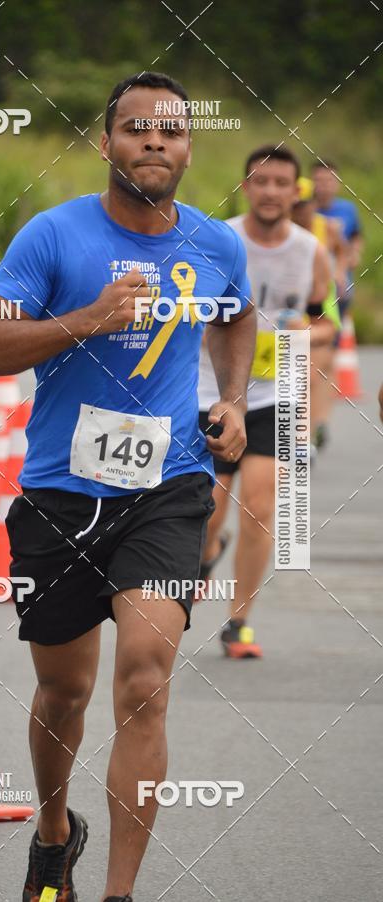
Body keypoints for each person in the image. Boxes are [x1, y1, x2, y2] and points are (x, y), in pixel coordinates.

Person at [0, 71, 256, 902]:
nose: (154, 142)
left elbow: (237, 314)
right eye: (136, 129)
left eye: (171, 130)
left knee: (143, 679)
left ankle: (119, 895)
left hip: (169, 491)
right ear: (107, 142)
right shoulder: (52, 238)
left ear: (189, 147)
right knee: (66, 689)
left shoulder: (214, 243)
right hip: (59, 492)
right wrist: (89, 319)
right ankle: (55, 835)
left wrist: (230, 398)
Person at [197, 146, 336, 659]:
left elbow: (329, 325)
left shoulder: (309, 250)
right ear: (245, 188)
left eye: (282, 183)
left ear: (295, 191)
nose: (271, 191)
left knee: (259, 505)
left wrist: (305, 334)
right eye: (261, 181)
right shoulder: (218, 241)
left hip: (275, 394)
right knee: (207, 510)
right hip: (208, 393)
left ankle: (239, 623)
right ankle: (207, 553)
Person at [292, 177, 345, 451]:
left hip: (323, 302)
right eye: (294, 205)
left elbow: (343, 253)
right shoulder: (281, 231)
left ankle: (307, 436)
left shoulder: (328, 229)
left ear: (314, 204)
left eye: (304, 205)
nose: (299, 211)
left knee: (315, 370)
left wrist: (339, 272)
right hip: (293, 305)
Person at [312, 159, 363, 319]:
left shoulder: (348, 209)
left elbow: (356, 235)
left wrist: (355, 253)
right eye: (319, 181)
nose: (324, 185)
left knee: (335, 319)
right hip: (313, 273)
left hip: (340, 274)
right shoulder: (305, 209)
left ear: (337, 183)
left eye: (329, 180)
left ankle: (333, 337)